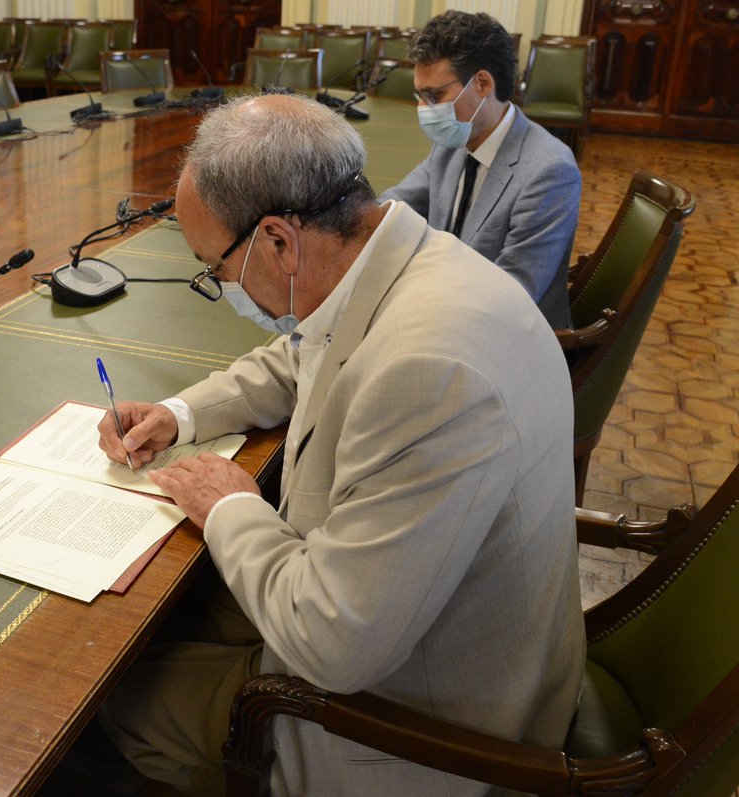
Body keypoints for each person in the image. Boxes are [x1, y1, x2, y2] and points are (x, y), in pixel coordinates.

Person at [91, 93, 585, 796]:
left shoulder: (428, 372)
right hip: (426, 622)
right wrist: (178, 414)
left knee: (103, 695)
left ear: (278, 241)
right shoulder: (404, 259)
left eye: (217, 269)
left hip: (429, 731)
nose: (222, 285)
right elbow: (301, 356)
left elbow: (334, 644)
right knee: (161, 613)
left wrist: (231, 504)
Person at [378, 10, 581, 328]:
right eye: (419, 95)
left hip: (507, 338)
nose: (423, 109)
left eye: (434, 95)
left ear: (483, 83)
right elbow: (394, 206)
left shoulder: (549, 172)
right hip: (446, 306)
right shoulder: (452, 142)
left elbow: (512, 296)